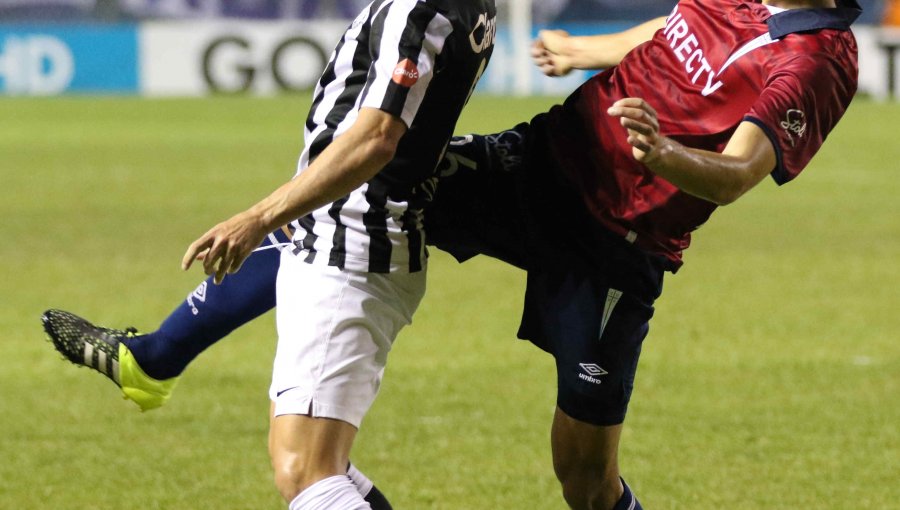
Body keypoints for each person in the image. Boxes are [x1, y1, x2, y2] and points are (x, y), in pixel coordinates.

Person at [44, 1, 861, 508]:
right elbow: (676, 28)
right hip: (539, 164)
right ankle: (152, 359)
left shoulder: (816, 62)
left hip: (615, 241)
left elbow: (742, 170)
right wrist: (587, 52)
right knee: (346, 207)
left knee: (584, 480)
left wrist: (665, 159)